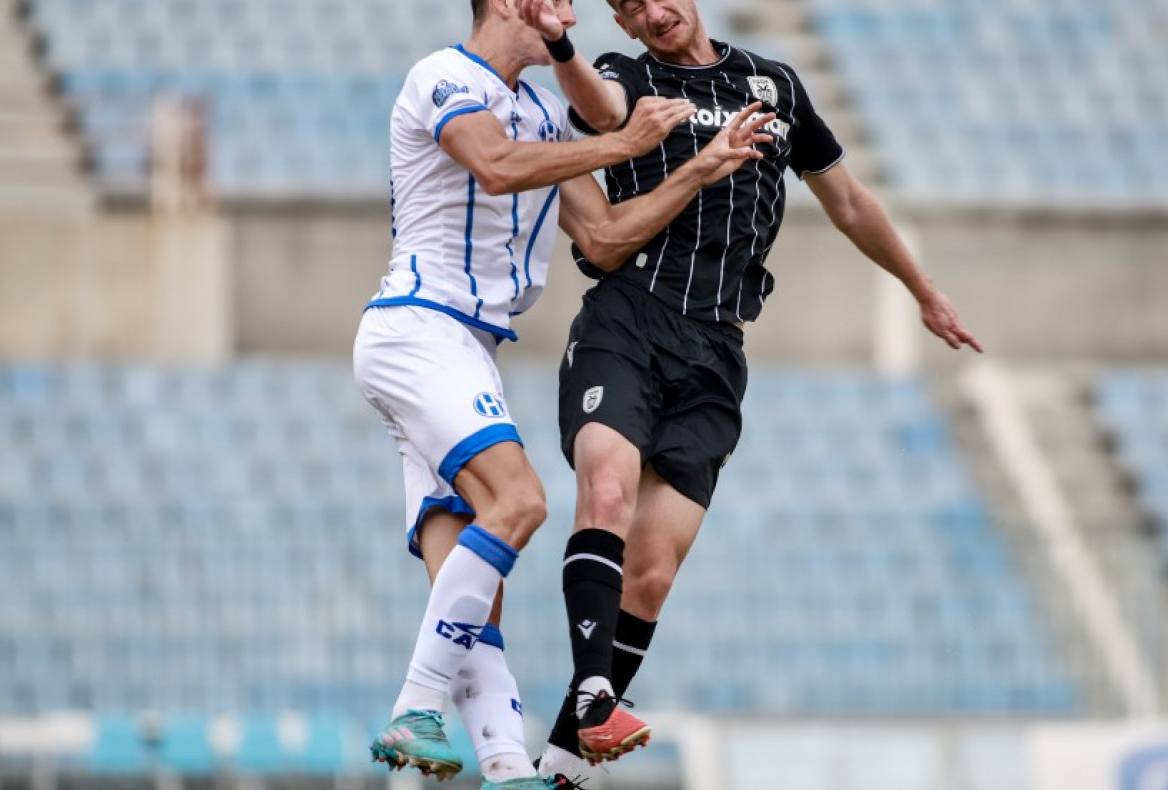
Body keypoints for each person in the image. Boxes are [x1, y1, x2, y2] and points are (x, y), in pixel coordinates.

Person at [516, 0, 985, 780]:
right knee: (605, 494)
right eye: (630, 8)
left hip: (716, 352)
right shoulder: (627, 76)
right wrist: (563, 43)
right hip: (629, 321)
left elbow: (848, 201)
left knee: (655, 574)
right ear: (623, 26)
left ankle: (560, 765)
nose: (652, 12)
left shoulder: (774, 85)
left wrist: (921, 289)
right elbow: (598, 109)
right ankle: (595, 695)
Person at [354, 1, 776, 788]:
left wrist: (695, 168)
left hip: (469, 347)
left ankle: (509, 767)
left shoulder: (545, 111)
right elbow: (494, 165)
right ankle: (416, 706)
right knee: (521, 503)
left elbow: (606, 237)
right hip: (419, 331)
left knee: (476, 581)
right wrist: (622, 141)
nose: (573, 12)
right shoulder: (445, 77)